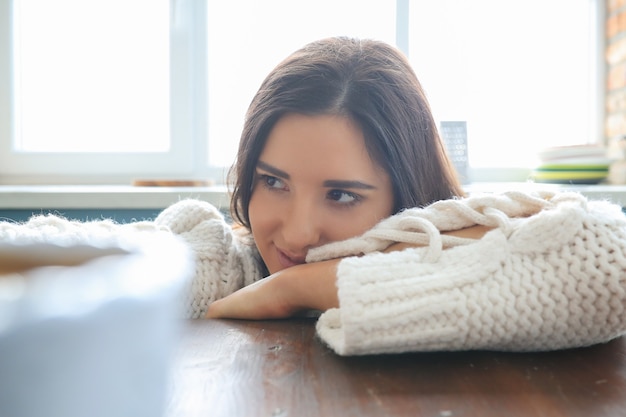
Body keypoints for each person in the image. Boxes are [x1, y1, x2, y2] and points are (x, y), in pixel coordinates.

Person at [3, 37, 626, 356]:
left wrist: (293, 290)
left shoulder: (452, 232)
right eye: (273, 182)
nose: (296, 234)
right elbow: (43, 254)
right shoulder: (226, 261)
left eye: (342, 195)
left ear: (405, 190)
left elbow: (608, 264)